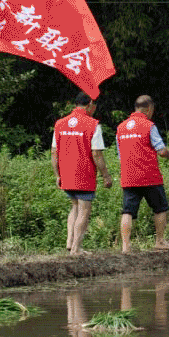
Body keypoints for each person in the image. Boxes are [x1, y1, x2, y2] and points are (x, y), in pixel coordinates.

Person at [117, 95, 169, 252]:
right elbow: (161, 151)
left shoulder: (121, 128)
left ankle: (125, 246)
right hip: (150, 176)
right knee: (160, 208)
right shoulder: (149, 126)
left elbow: (120, 155)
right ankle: (160, 241)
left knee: (128, 211)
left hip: (129, 177)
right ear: (149, 109)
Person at [53, 92, 108, 255]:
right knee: (84, 210)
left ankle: (70, 242)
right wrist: (106, 175)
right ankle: (76, 249)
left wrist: (57, 174)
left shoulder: (60, 123)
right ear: (90, 104)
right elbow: (97, 154)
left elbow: (53, 152)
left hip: (66, 174)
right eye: (94, 106)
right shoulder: (93, 124)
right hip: (84, 174)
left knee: (75, 206)